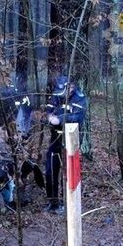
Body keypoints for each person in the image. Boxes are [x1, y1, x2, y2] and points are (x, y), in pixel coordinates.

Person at [44, 75, 87, 214]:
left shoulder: (80, 98)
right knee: (50, 169)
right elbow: (49, 110)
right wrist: (49, 116)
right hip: (55, 138)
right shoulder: (57, 94)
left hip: (71, 141)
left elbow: (78, 117)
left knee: (69, 172)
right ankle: (53, 202)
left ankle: (69, 203)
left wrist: (60, 119)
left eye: (69, 87)